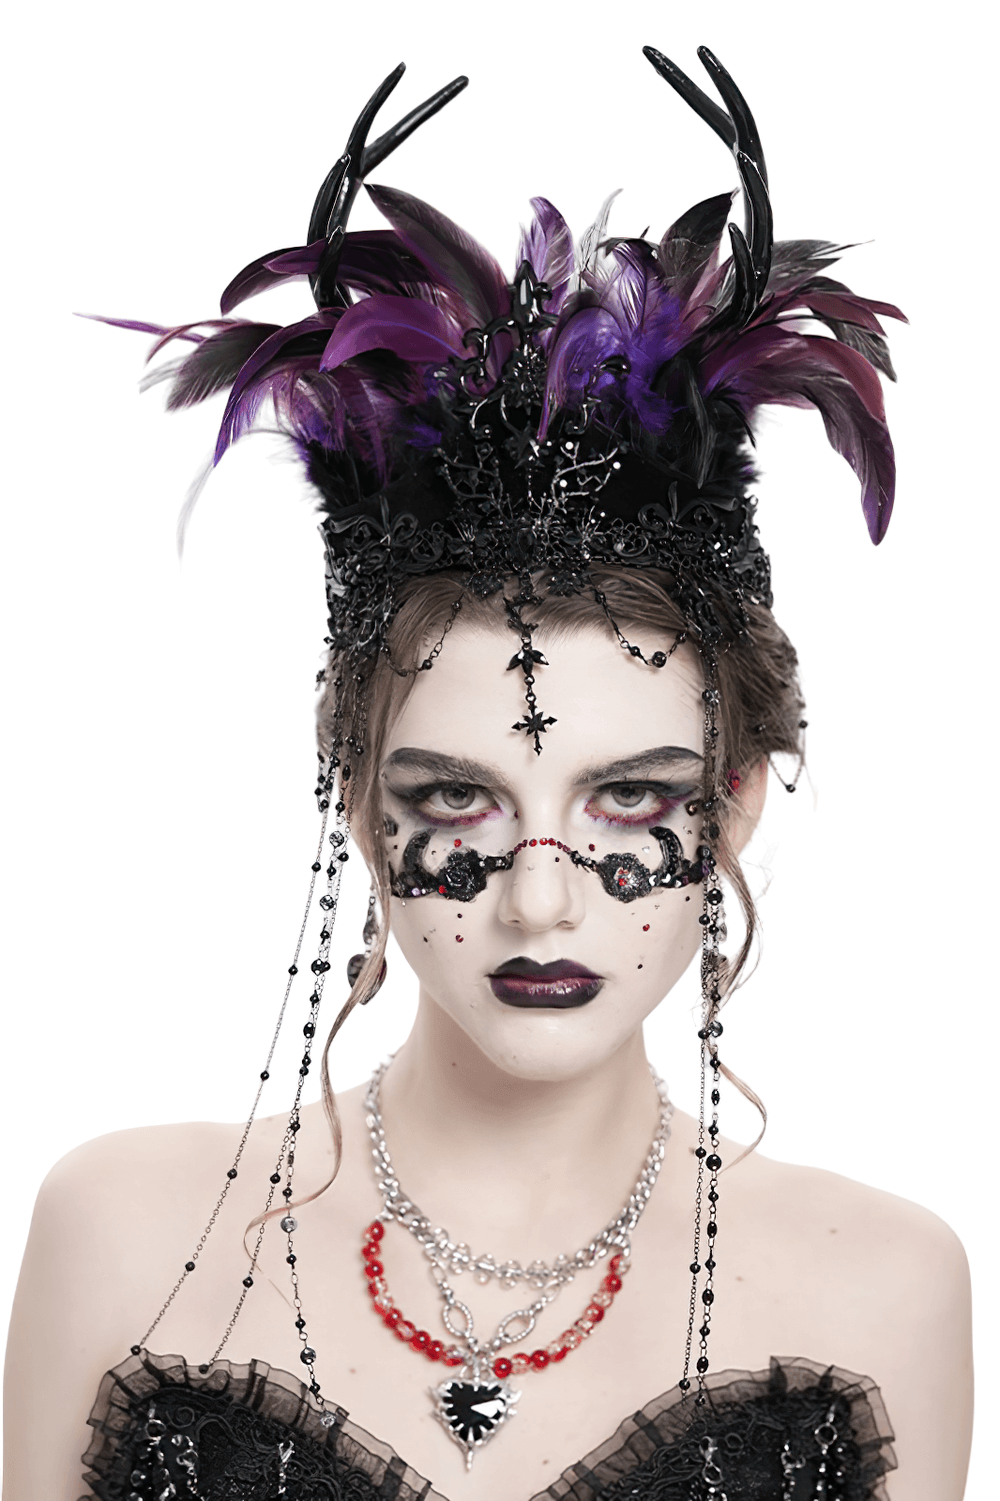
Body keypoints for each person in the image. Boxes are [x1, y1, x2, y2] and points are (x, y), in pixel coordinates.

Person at [3, 43, 973, 1501]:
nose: (539, 902)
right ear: (352, 793)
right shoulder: (124, 1231)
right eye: (455, 801)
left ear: (738, 804)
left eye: (628, 802)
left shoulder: (888, 1286)